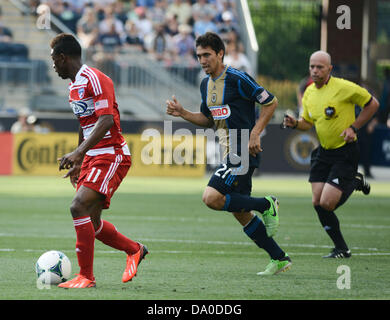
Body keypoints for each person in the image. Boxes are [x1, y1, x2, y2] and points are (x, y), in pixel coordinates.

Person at [166, 32, 291, 276]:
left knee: (211, 197)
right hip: (228, 151)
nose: (202, 60)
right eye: (199, 55)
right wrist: (183, 113)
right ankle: (279, 258)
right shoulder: (206, 85)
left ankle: (267, 204)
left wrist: (255, 133)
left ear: (220, 54)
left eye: (207, 55)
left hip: (243, 147)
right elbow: (208, 120)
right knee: (240, 212)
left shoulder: (237, 78)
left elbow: (271, 102)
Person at [50, 33, 148, 288]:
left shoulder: (96, 78)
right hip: (93, 157)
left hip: (111, 154)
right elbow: (85, 124)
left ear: (63, 57)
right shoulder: (73, 87)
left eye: (54, 60)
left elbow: (106, 120)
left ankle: (86, 277)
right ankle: (134, 249)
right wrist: (80, 158)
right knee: (91, 222)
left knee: (77, 206)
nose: (53, 66)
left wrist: (80, 152)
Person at [283, 50, 379, 258]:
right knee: (318, 203)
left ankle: (353, 181)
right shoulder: (308, 92)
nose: (315, 71)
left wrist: (354, 127)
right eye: (312, 66)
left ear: (329, 69)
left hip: (345, 152)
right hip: (323, 152)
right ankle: (342, 249)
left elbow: (373, 104)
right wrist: (295, 124)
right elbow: (307, 122)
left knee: (328, 203)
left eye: (320, 67)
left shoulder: (343, 88)